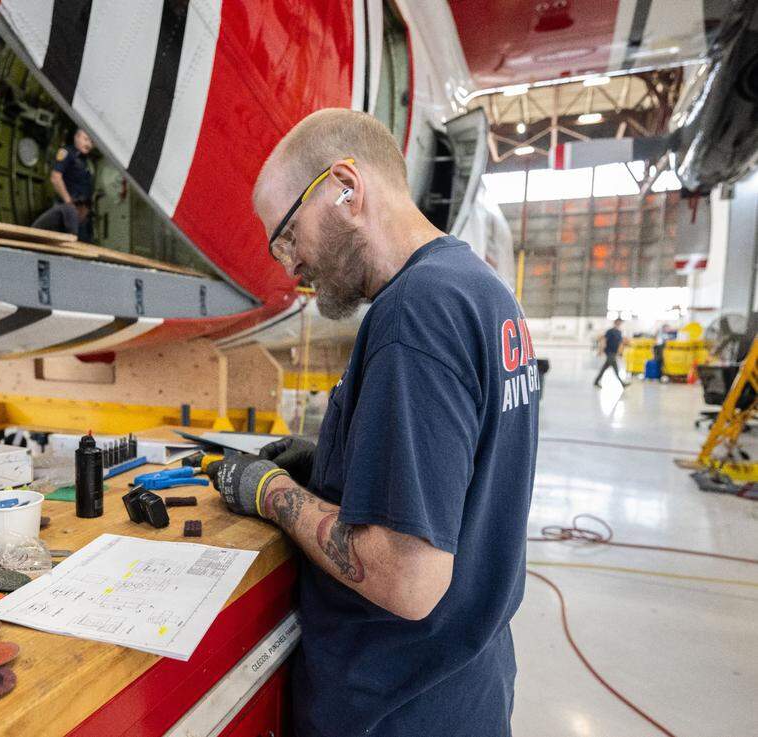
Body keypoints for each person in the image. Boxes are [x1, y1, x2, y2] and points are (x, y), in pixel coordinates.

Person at [206, 108, 539, 736]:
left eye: (287, 233)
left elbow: (407, 580)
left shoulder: (414, 314)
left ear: (345, 189)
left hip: (395, 707)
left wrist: (271, 492)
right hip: (465, 689)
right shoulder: (480, 290)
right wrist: (335, 466)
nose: (288, 264)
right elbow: (466, 476)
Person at [50, 128, 95, 242]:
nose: (89, 144)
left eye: (92, 142)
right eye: (86, 139)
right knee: (66, 245)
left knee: (83, 244)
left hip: (82, 213)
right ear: (77, 137)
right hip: (69, 210)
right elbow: (56, 177)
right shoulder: (66, 153)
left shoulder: (86, 162)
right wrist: (69, 203)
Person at [595, 318, 628, 388]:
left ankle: (596, 381)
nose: (619, 324)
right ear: (615, 322)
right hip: (609, 352)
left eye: (620, 322)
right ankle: (622, 383)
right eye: (618, 322)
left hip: (614, 352)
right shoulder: (610, 331)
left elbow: (620, 343)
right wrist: (600, 350)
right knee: (615, 369)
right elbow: (604, 340)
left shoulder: (619, 332)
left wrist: (620, 353)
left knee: (604, 368)